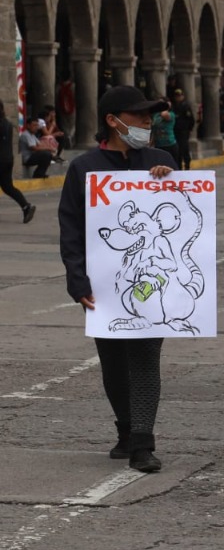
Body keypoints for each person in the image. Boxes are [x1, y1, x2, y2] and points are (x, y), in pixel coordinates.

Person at [58, 86, 176, 473]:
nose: (148, 122)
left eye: (149, 115)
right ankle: (126, 430)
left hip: (150, 279)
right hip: (104, 283)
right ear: (113, 121)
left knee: (144, 356)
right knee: (112, 362)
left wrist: (169, 181)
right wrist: (78, 281)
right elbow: (71, 229)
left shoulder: (160, 160)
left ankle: (143, 442)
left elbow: (181, 212)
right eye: (140, 115)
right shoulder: (84, 167)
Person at [0, 101, 36, 222]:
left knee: (7, 187)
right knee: (7, 187)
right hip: (8, 159)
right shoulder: (7, 123)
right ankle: (26, 206)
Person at [169, 89, 195, 170]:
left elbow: (191, 119)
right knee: (178, 150)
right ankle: (179, 166)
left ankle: (187, 165)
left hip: (183, 131)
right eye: (176, 96)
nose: (178, 98)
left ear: (183, 96)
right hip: (175, 131)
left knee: (184, 148)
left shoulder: (185, 106)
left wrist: (189, 129)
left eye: (179, 96)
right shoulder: (173, 107)